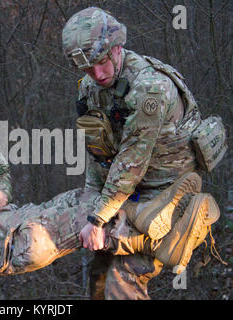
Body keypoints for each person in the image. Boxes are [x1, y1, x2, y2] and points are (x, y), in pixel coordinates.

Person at [0, 80, 215, 290]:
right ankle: (155, 236)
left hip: (1, 217)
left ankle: (151, 219)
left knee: (84, 199)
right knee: (78, 222)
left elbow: (1, 176)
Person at [61, 7, 226, 299]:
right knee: (98, 274)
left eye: (101, 62)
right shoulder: (90, 87)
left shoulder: (150, 87)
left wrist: (98, 218)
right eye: (87, 68)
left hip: (166, 189)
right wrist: (91, 198)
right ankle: (152, 236)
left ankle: (176, 224)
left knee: (122, 281)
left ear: (117, 47)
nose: (97, 74)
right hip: (129, 191)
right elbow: (97, 148)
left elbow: (132, 162)